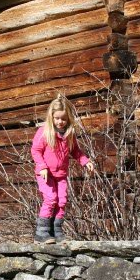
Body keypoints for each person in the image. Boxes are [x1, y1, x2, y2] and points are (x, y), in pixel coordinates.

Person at [30, 94, 94, 242]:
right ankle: (41, 233)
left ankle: (56, 232)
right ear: (51, 117)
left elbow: (76, 151)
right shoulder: (44, 132)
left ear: (68, 119)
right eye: (57, 118)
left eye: (63, 119)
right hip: (45, 174)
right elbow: (35, 150)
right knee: (50, 199)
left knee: (62, 201)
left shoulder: (69, 134)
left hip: (61, 175)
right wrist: (42, 167)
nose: (60, 122)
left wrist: (85, 161)